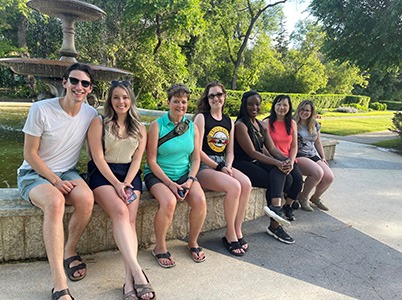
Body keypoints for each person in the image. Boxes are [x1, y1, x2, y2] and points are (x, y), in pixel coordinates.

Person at [17, 63, 98, 300]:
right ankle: (59, 282)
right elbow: (29, 154)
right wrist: (53, 180)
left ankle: (69, 250)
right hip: (33, 174)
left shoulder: (90, 113)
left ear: (90, 88)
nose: (79, 87)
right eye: (74, 81)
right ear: (64, 83)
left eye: (84, 83)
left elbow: (97, 153)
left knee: (86, 199)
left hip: (67, 171)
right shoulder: (41, 109)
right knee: (55, 202)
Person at [86, 81, 155, 300]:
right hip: (103, 173)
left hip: (130, 175)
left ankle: (128, 281)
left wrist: (126, 181)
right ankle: (138, 272)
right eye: (116, 97)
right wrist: (116, 183)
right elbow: (97, 157)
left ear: (131, 99)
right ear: (110, 100)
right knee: (121, 212)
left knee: (131, 221)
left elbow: (137, 159)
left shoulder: (140, 128)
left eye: (125, 97)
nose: (121, 102)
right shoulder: (99, 123)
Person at [144, 83, 207, 268]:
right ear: (168, 102)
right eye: (176, 101)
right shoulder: (157, 126)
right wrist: (170, 184)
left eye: (184, 102)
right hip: (158, 175)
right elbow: (151, 161)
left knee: (200, 200)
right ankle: (160, 247)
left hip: (184, 175)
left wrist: (190, 180)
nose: (180, 105)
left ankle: (193, 242)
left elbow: (196, 159)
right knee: (169, 202)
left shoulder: (193, 128)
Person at [193, 81, 252, 256]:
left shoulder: (229, 122)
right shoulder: (202, 118)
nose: (216, 98)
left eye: (219, 94)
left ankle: (237, 229)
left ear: (224, 97)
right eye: (211, 95)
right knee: (234, 186)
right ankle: (229, 235)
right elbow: (196, 150)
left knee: (246, 183)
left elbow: (230, 151)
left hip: (222, 164)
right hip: (203, 166)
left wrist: (227, 166)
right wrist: (218, 166)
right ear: (207, 98)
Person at [233, 90, 295, 244]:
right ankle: (275, 223)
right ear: (244, 105)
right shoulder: (241, 125)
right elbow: (252, 152)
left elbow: (272, 149)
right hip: (242, 164)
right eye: (251, 104)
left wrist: (286, 161)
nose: (255, 107)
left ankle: (275, 210)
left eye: (257, 104)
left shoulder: (261, 125)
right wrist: (277, 163)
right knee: (274, 178)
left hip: (256, 162)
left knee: (288, 178)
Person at [262, 94, 304, 222]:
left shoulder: (292, 123)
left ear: (289, 107)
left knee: (298, 180)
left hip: (287, 159)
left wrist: (291, 161)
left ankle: (288, 206)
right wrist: (275, 161)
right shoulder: (266, 123)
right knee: (288, 180)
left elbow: (294, 146)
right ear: (274, 106)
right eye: (279, 104)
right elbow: (263, 147)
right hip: (272, 159)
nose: (282, 107)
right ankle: (275, 207)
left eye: (285, 105)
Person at [294, 100, 334, 211]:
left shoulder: (315, 124)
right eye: (302, 109)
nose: (304, 112)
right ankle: (303, 197)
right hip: (299, 155)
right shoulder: (293, 123)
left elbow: (317, 142)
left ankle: (315, 198)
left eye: (307, 110)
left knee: (329, 177)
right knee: (317, 173)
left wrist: (323, 157)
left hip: (312, 154)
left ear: (311, 112)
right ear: (298, 110)